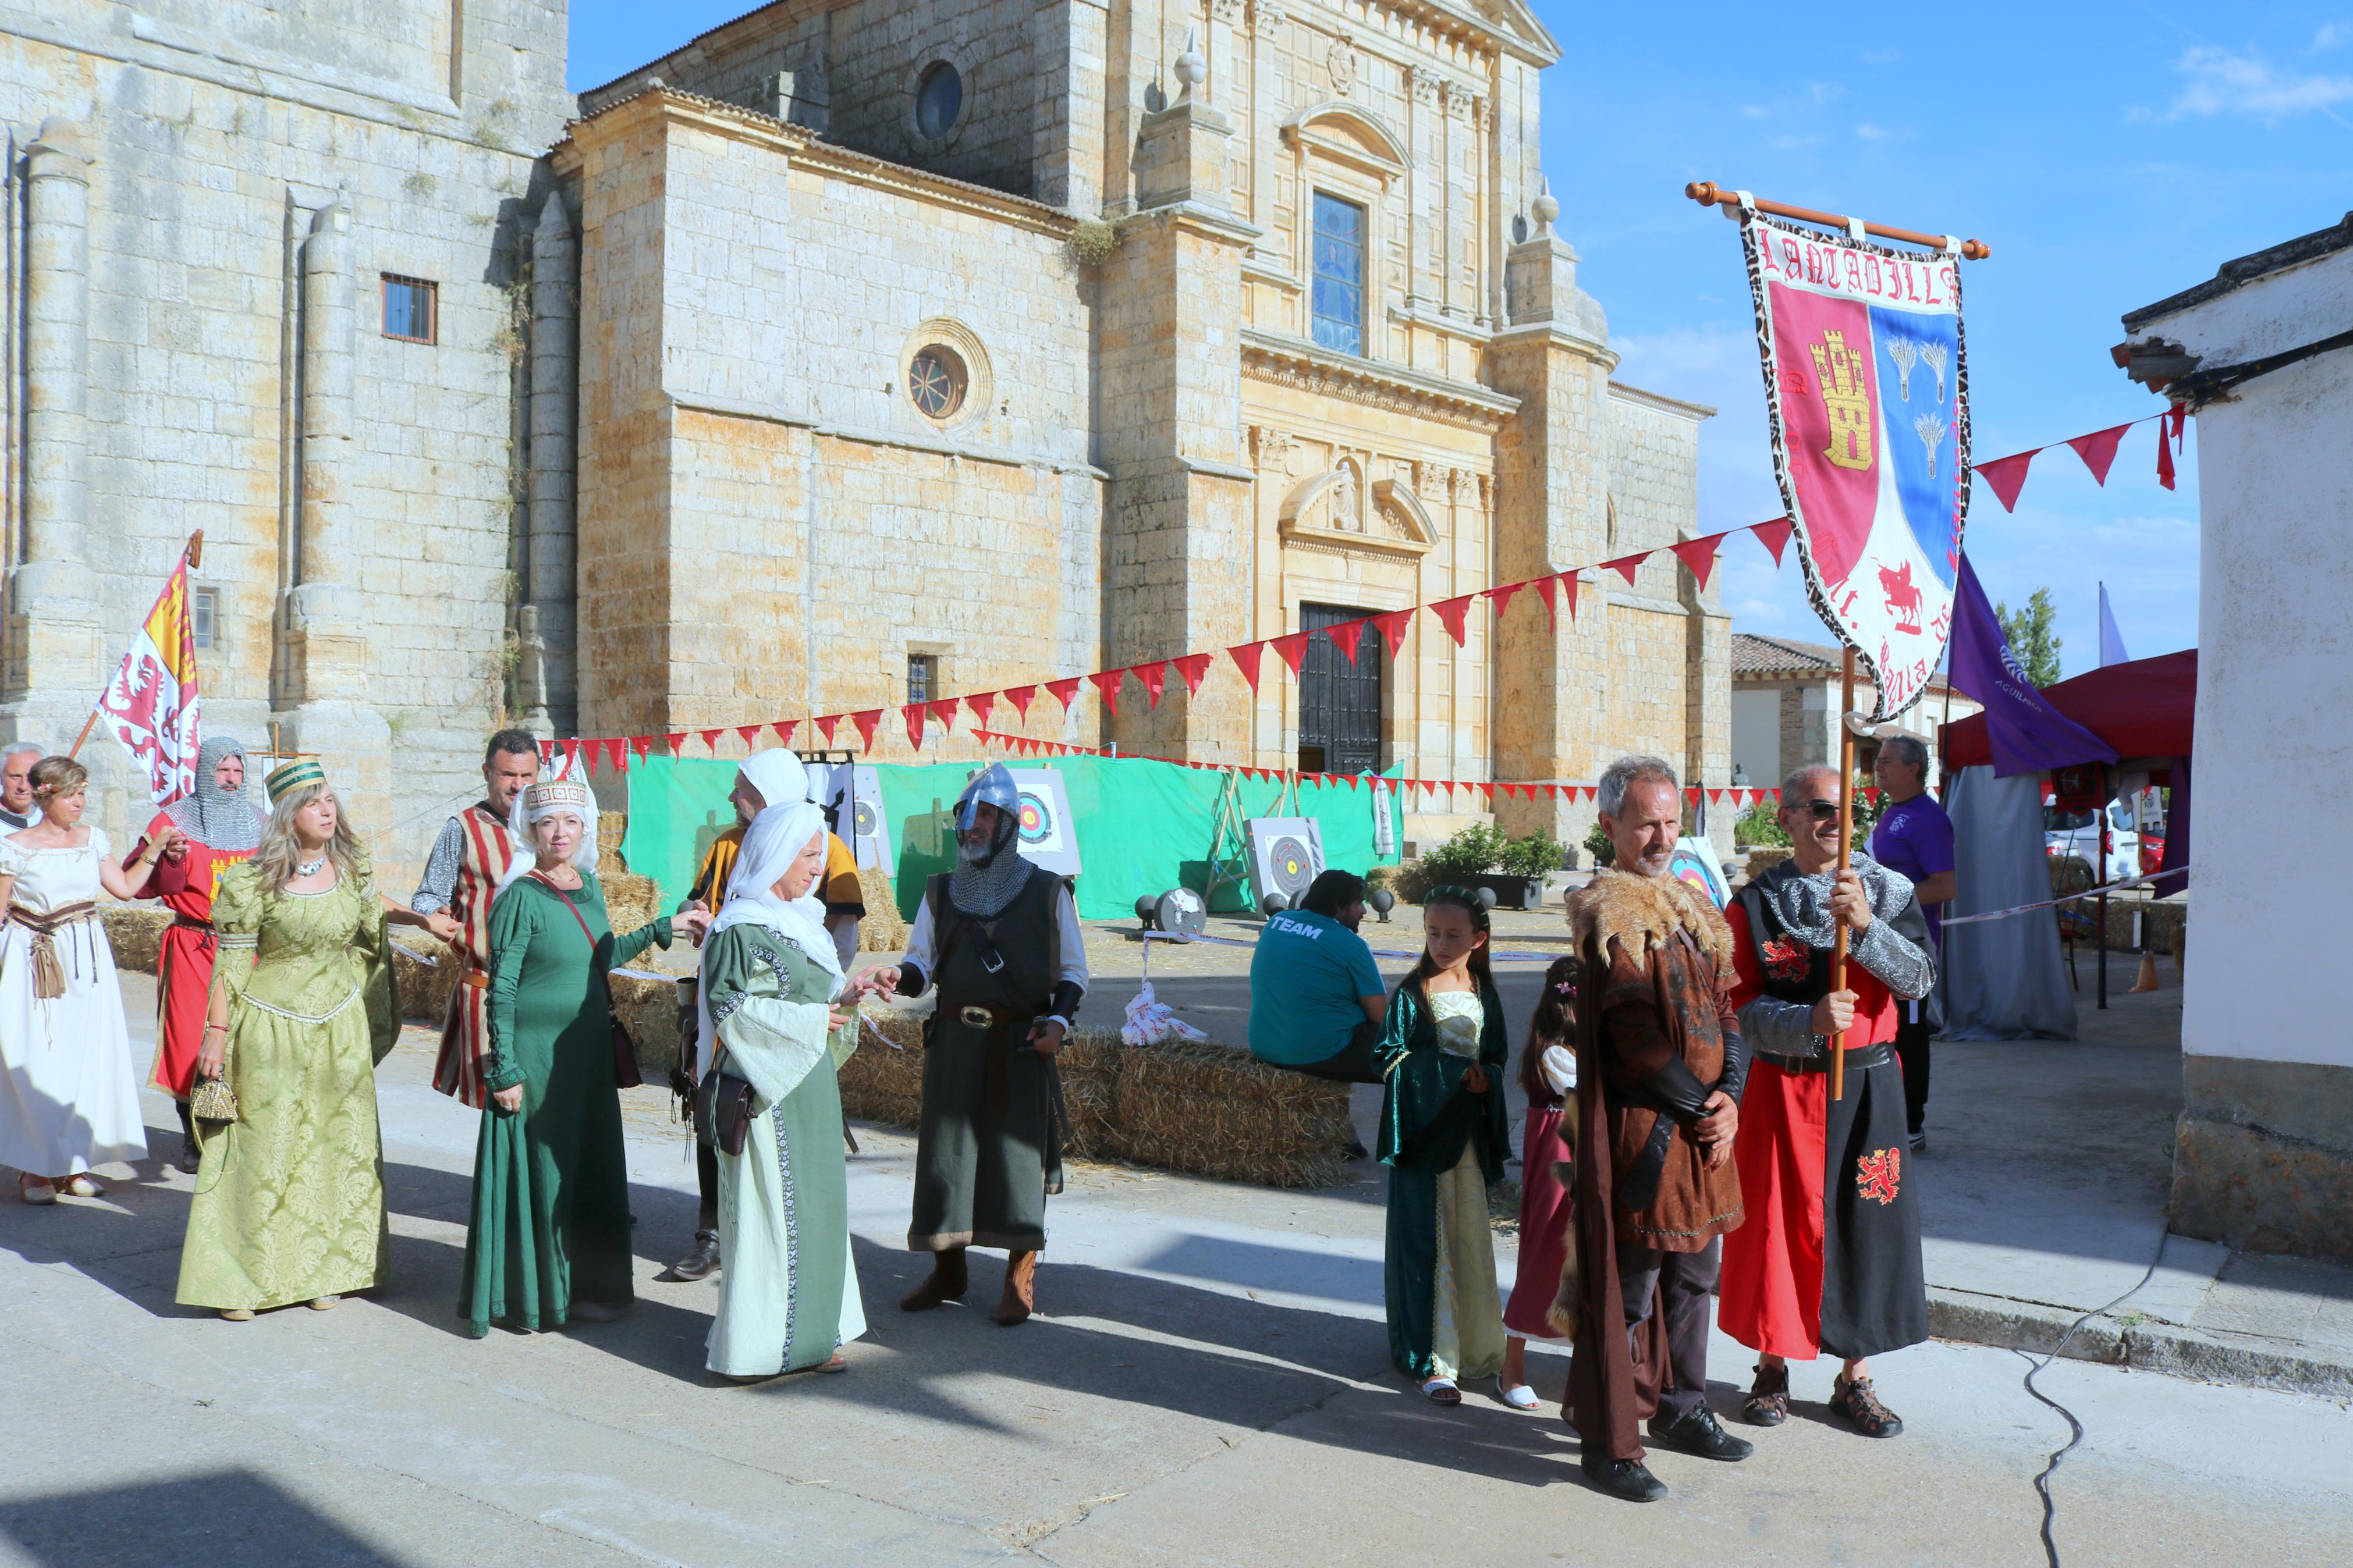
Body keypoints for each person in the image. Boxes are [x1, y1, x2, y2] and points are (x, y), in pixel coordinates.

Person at [1722, 762, 1936, 1440]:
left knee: (1862, 1228)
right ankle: (1771, 1366)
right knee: (1776, 1229)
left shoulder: (1890, 894)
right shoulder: (1753, 904)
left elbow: (1921, 980)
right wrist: (1805, 1022)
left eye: (1846, 806)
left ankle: (1855, 1377)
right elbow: (1738, 1005)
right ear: (1784, 818)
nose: (1833, 820)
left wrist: (1868, 928)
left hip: (1868, 1089)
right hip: (1784, 1089)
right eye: (1817, 807)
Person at [1563, 754, 1752, 1504]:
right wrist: (1697, 1105)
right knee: (1629, 1291)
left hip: (1705, 1134)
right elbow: (1632, 1036)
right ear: (1610, 823)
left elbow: (1728, 1010)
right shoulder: (1605, 908)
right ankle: (1610, 1441)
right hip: (1649, 1133)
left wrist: (1731, 1094)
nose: (1661, 835)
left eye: (1672, 821)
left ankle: (1682, 1408)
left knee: (1694, 1278)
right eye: (1646, 821)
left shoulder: (1690, 902)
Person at [459, 780, 704, 1336]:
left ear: (585, 827)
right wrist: (505, 1067)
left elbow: (600, 956)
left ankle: (591, 1287)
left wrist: (665, 927)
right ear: (532, 830)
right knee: (546, 1171)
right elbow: (501, 987)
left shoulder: (590, 886)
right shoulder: (520, 895)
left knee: (586, 1170)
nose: (560, 832)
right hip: (539, 1060)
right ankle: (540, 1297)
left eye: (570, 821)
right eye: (548, 823)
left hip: (587, 1052)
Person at [176, 758, 399, 1319]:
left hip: (339, 1028)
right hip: (270, 1026)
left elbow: (375, 921)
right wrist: (216, 1035)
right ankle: (245, 1279)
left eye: (329, 800)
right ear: (285, 815)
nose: (326, 810)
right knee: (263, 1152)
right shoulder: (251, 881)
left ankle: (328, 1270)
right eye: (311, 802)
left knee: (333, 1149)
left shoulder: (353, 867)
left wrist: (427, 922)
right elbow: (230, 961)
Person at [872, 762, 1088, 1327]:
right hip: (953, 1044)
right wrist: (902, 979)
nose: (973, 826)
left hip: (1018, 1041)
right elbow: (921, 960)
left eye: (986, 815)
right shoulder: (942, 892)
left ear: (1011, 824)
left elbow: (1072, 971)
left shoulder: (1047, 891)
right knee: (948, 1159)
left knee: (1017, 1162)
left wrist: (1058, 1024)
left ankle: (1020, 1279)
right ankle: (948, 1272)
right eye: (967, 816)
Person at [669, 749, 864, 1283]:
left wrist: (821, 991)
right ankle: (712, 1234)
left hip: (797, 1010)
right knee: (719, 1114)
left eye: (744, 788)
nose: (733, 798)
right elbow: (700, 909)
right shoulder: (726, 844)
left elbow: (840, 931)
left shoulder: (831, 847)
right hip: (732, 1011)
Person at [701, 799, 879, 1378]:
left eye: (818, 857)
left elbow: (820, 1005)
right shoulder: (738, 929)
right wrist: (811, 1020)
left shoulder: (803, 922)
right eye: (806, 856)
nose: (816, 869)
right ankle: (760, 1348)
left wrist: (851, 997)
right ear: (774, 854)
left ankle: (815, 1336)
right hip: (765, 1094)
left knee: (818, 1213)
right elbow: (728, 1007)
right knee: (770, 1219)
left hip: (811, 1091)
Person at [0, 758, 175, 1203]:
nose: (79, 802)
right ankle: (36, 1170)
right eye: (71, 793)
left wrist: (154, 850)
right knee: (37, 1059)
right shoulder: (14, 846)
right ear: (46, 795)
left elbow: (125, 888)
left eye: (83, 793)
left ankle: (74, 1164)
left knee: (84, 1056)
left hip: (87, 958)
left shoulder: (93, 838)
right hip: (31, 958)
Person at [1376, 886, 1511, 1405]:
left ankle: (1474, 1348)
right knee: (1424, 1246)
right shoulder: (1413, 992)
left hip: (1467, 1142)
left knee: (1467, 1241)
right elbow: (1386, 1057)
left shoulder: (1484, 990)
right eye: (1432, 931)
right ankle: (1430, 1358)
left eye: (1453, 934)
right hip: (1423, 1138)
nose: (1440, 942)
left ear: (1478, 939)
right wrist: (1452, 1074)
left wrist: (1486, 1081)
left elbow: (1497, 1055)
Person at [133, 735, 265, 1174]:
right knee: (190, 1040)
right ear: (205, 772)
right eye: (223, 771)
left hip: (249, 949)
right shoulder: (174, 821)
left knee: (245, 1040)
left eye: (238, 771)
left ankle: (234, 1128)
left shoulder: (262, 825)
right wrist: (168, 856)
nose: (231, 780)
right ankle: (193, 1135)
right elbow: (147, 885)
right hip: (194, 944)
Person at [414, 730, 541, 1108]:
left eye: (527, 776)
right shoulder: (463, 828)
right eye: (508, 775)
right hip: (488, 988)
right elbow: (427, 896)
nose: (517, 786)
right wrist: (432, 914)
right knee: (500, 1105)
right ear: (487, 772)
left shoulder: (553, 827)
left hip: (544, 992)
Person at [1498, 954, 1581, 1412]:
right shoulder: (1555, 1052)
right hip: (1561, 1157)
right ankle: (1511, 1366)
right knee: (1547, 1247)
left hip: (1587, 1152)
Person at [1245, 870, 1389, 1121]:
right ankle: (1416, 1146)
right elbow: (1379, 1016)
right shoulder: (1350, 943)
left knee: (1337, 1018)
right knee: (1416, 1057)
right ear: (1338, 907)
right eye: (1359, 903)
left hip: (1264, 1045)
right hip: (1319, 1052)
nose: (1364, 911)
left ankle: (1343, 1135)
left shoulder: (1276, 923)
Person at [1870, 734, 1955, 1153]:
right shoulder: (1893, 812)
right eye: (1878, 760)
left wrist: (1884, 901)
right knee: (1884, 1030)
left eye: (1886, 760)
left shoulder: (1929, 818)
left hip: (1912, 946)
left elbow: (1945, 886)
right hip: (1881, 941)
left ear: (1913, 768)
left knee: (1910, 1032)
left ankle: (1912, 1124)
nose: (1877, 766)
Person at [0, 742, 42, 831]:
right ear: (1, 778)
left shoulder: (50, 818)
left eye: (31, 777)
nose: (23, 786)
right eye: (16, 776)